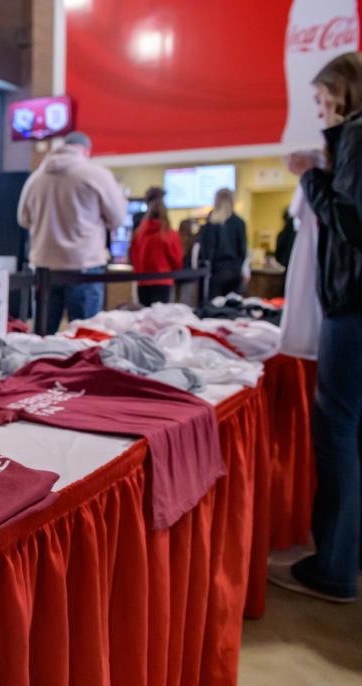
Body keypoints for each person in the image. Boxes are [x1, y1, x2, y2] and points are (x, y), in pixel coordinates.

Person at [272, 51, 362, 604]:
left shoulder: (353, 138)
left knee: (337, 431)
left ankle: (332, 566)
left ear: (340, 90)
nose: (318, 107)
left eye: (319, 97)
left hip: (351, 306)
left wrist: (312, 177)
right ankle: (343, 554)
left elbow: (351, 222)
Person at [17, 130, 127, 334]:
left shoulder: (36, 178)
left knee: (42, 338)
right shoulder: (97, 174)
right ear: (86, 150)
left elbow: (23, 219)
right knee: (84, 338)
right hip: (84, 265)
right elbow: (118, 218)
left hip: (44, 268)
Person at [129, 199, 184, 306]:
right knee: (161, 318)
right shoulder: (169, 234)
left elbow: (133, 257)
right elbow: (177, 260)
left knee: (144, 316)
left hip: (142, 281)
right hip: (163, 281)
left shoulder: (139, 234)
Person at [197, 188, 247, 299]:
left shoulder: (211, 223)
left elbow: (207, 250)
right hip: (235, 272)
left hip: (216, 272)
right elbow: (243, 250)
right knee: (232, 308)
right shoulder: (239, 222)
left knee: (214, 309)